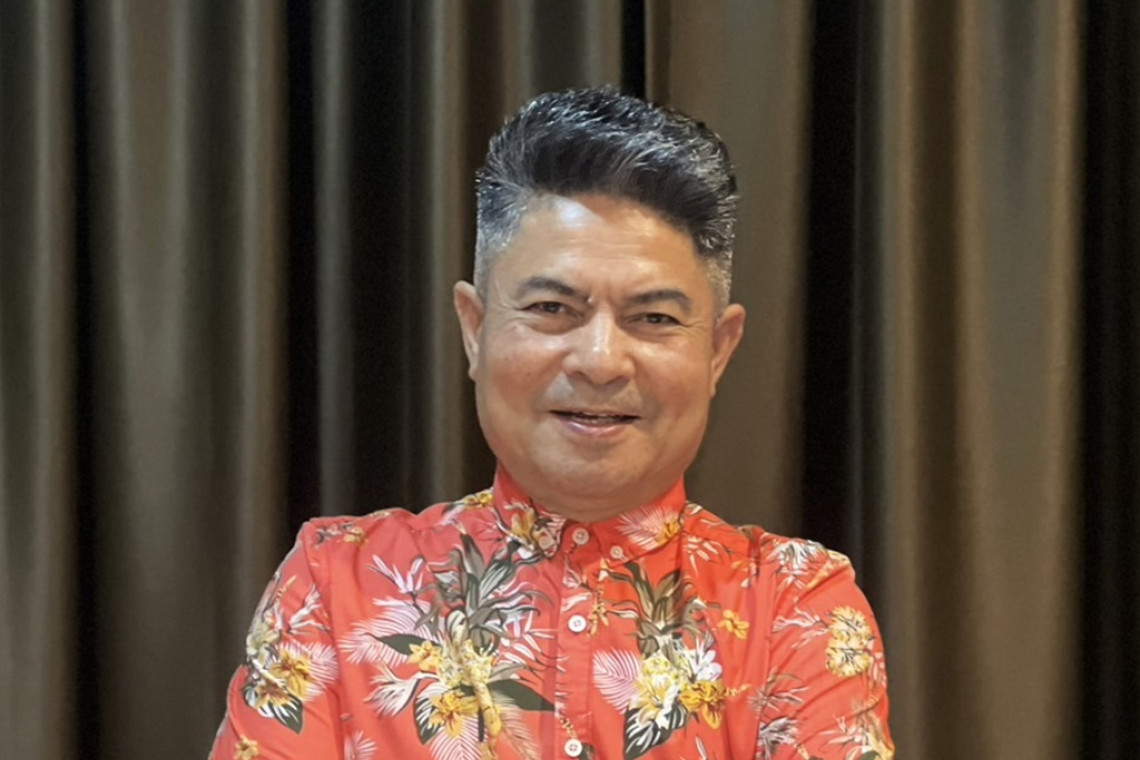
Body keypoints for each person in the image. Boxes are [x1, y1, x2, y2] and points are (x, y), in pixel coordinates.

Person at [209, 87, 893, 760]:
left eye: (654, 318)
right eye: (551, 308)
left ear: (718, 350)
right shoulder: (339, 584)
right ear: (474, 330)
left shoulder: (793, 606)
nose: (600, 360)